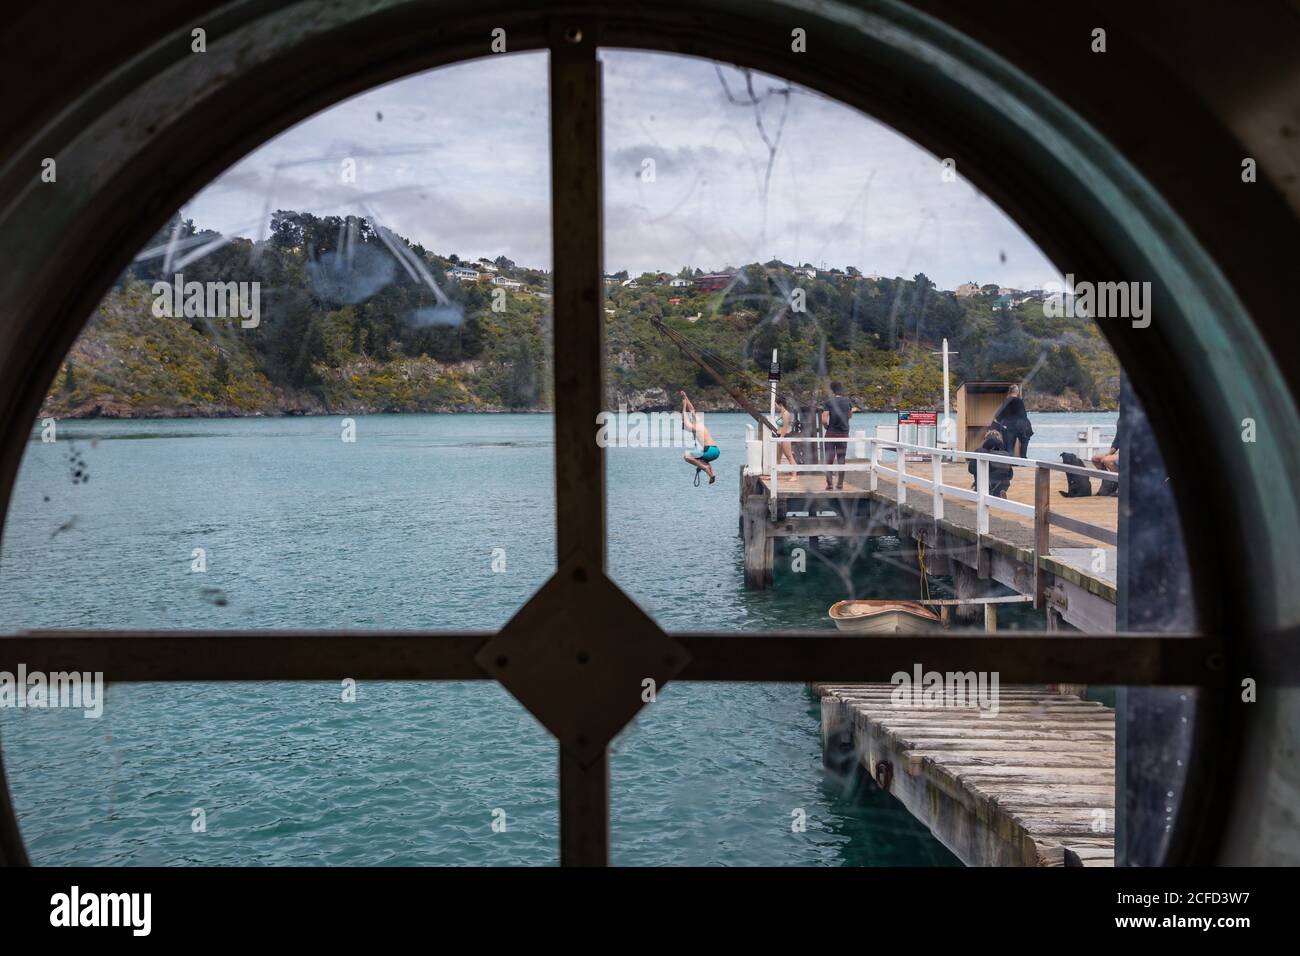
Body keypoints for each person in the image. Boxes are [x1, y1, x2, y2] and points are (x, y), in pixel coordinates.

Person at [820, 382, 857, 491]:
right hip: (844, 433)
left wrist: (826, 426)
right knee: (841, 458)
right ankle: (840, 484)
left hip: (831, 432)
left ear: (832, 391)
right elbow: (850, 415)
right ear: (841, 390)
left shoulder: (828, 402)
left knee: (829, 459)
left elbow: (824, 419)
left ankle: (830, 484)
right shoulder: (847, 402)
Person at [680, 390, 719, 484]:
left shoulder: (692, 428)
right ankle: (711, 474)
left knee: (686, 456)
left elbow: (684, 416)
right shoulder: (699, 423)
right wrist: (685, 397)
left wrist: (684, 404)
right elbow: (692, 410)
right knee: (702, 459)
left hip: (709, 450)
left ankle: (705, 467)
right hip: (716, 450)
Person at [968, 428, 1015, 498]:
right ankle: (999, 491)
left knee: (978, 470)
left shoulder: (980, 451)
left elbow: (971, 469)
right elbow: (1010, 475)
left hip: (985, 483)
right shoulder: (1006, 454)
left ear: (986, 440)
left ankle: (981, 489)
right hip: (1003, 484)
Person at [992, 384, 1034, 458]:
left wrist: (1002, 424)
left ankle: (1010, 462)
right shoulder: (1019, 401)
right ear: (1017, 392)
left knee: (1009, 447)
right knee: (1024, 442)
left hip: (1009, 426)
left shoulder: (1006, 401)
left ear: (1009, 392)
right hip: (1021, 426)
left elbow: (998, 417)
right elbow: (1023, 415)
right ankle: (1023, 460)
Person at [1091, 403, 1124, 496]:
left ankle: (1122, 485)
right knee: (1096, 459)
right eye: (1119, 405)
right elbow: (1117, 440)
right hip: (1120, 453)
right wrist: (1109, 453)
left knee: (1107, 460)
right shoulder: (1120, 420)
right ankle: (1109, 483)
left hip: (1131, 453)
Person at [774, 398, 797, 477]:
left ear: (780, 404)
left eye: (776, 404)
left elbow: (785, 427)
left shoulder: (786, 414)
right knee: (778, 457)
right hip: (779, 436)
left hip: (784, 436)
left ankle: (794, 476)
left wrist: (781, 437)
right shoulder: (781, 413)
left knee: (789, 456)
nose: (775, 406)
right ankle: (775, 475)